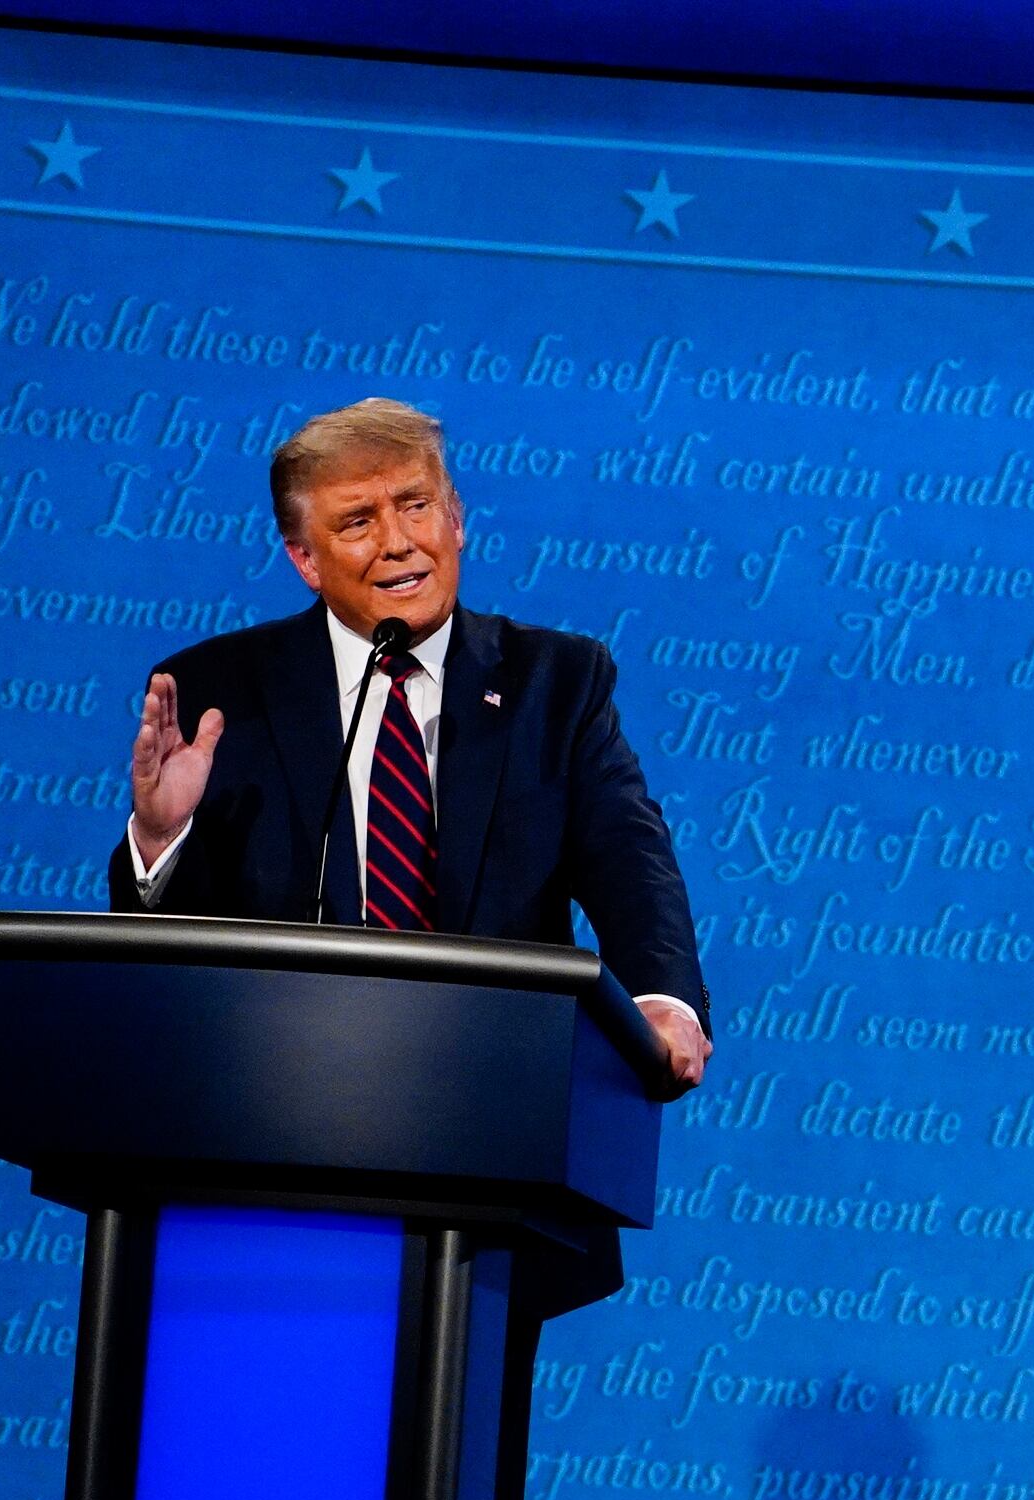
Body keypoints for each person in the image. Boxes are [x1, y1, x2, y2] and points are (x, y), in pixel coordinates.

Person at [113, 397, 713, 1087]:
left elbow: (629, 857)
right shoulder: (222, 692)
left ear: (456, 522)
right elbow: (160, 961)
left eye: (415, 505)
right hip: (274, 1088)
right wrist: (161, 840)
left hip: (499, 1091)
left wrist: (664, 1002)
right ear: (305, 559)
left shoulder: (554, 684)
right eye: (358, 522)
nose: (397, 541)